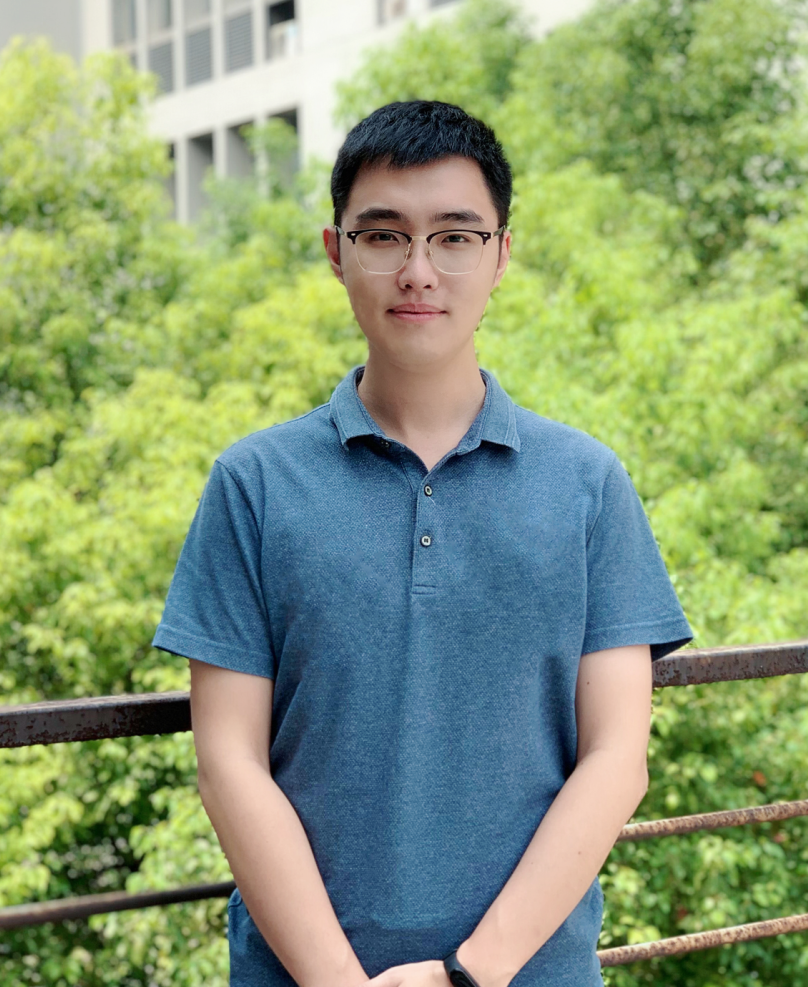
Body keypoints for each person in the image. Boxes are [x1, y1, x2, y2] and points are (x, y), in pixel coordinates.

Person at [152, 100, 693, 987]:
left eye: (454, 237)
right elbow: (228, 762)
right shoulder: (253, 483)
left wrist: (469, 972)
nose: (417, 271)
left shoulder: (587, 482)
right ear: (335, 252)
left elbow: (616, 757)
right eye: (382, 236)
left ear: (500, 255)